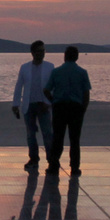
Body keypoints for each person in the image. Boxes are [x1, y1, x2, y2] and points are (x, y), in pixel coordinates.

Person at [43, 45, 91, 176]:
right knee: (75, 139)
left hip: (60, 107)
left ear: (65, 56)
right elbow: (86, 94)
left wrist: (53, 101)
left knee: (58, 138)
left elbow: (46, 90)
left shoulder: (56, 72)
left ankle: (53, 166)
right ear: (76, 57)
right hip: (76, 108)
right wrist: (83, 108)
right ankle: (74, 168)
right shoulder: (82, 72)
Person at [11, 40, 55, 171]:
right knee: (31, 134)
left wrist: (49, 103)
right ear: (32, 53)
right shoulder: (25, 67)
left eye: (43, 51)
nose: (41, 54)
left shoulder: (50, 66)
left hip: (44, 105)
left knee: (47, 133)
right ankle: (34, 159)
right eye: (39, 51)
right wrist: (15, 103)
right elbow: (19, 86)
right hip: (29, 105)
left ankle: (51, 160)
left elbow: (53, 87)